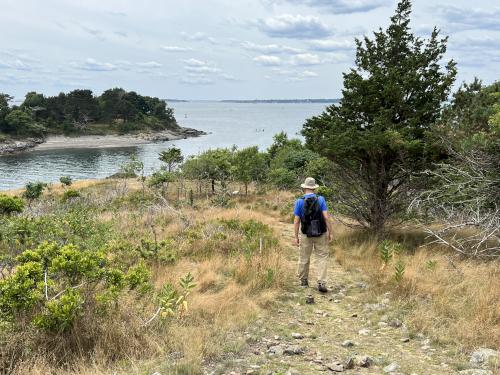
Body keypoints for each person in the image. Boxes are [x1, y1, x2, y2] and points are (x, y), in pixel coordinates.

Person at [293, 177, 332, 293]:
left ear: (304, 188)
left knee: (304, 257)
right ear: (314, 188)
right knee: (322, 257)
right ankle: (321, 282)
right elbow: (326, 217)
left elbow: (296, 221)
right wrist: (331, 231)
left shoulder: (299, 201)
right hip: (321, 233)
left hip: (306, 234)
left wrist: (296, 237)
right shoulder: (321, 200)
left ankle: (304, 280)